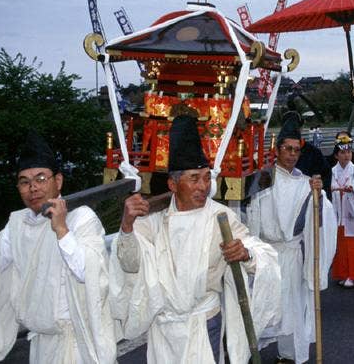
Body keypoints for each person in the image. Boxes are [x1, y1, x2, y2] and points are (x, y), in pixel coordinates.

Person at [110, 115, 281, 364]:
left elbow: (260, 250)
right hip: (163, 329)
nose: (203, 186)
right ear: (173, 183)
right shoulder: (153, 222)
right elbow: (130, 263)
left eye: (206, 177)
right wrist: (126, 226)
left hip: (203, 323)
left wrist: (245, 253)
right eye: (194, 178)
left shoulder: (220, 217)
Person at [0, 131, 116, 363]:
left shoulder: (81, 218)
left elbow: (89, 272)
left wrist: (61, 230)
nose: (33, 188)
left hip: (77, 344)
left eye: (40, 179)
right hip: (41, 345)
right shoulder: (18, 223)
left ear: (57, 181)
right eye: (24, 182)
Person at [247, 112, 337, 364]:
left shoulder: (305, 183)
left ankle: (288, 355)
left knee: (294, 308)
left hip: (292, 254)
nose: (292, 154)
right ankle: (247, 351)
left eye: (297, 150)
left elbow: (321, 217)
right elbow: (250, 214)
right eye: (288, 149)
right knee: (263, 305)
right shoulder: (262, 178)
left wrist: (320, 198)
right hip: (266, 254)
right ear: (277, 150)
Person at [330, 137, 354, 288]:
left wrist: (353, 188)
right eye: (342, 152)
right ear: (336, 155)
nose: (346, 155)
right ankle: (344, 273)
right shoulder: (333, 171)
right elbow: (332, 186)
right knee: (341, 244)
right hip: (340, 208)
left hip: (353, 210)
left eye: (348, 152)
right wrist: (338, 189)